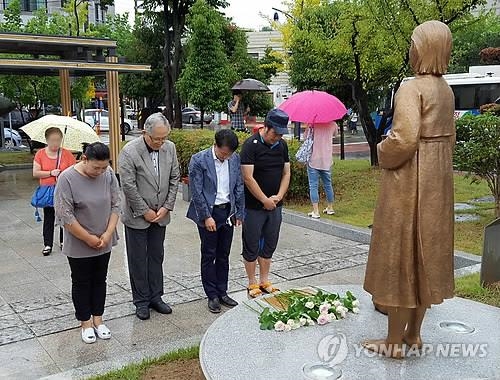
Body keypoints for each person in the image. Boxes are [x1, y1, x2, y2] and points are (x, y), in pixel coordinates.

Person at [363, 21, 455, 358]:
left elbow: (403, 138)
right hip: (437, 182)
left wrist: (381, 151)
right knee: (425, 258)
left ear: (424, 48)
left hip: (408, 182)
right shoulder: (446, 90)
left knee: (399, 256)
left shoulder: (410, 88)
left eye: (414, 43)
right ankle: (413, 335)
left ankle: (392, 343)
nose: (411, 49)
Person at [54, 142, 120, 344]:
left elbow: (116, 204)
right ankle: (85, 322)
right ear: (84, 159)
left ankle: (98, 320)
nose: (100, 171)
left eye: (104, 167)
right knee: (82, 281)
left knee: (100, 279)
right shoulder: (67, 178)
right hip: (80, 241)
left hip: (104, 238)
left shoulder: (108, 174)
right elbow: (65, 215)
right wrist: (88, 238)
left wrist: (108, 233)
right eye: (96, 167)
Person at [119, 112, 180, 320]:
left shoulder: (169, 148)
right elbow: (127, 185)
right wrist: (145, 210)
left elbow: (174, 178)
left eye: (164, 138)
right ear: (145, 132)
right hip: (137, 215)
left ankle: (156, 296)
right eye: (157, 139)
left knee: (156, 256)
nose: (161, 143)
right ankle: (141, 301)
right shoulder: (129, 151)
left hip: (161, 213)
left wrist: (166, 207)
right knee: (138, 259)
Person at [187, 129, 245, 313]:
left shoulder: (234, 159)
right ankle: (211, 295)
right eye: (223, 154)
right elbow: (196, 192)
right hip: (209, 212)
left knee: (224, 254)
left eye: (229, 154)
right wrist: (206, 217)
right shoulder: (199, 160)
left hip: (227, 211)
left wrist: (239, 213)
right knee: (209, 254)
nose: (226, 157)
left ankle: (222, 291)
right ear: (216, 146)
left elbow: (239, 186)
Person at [240, 108, 291, 298]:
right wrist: (264, 200)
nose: (277, 137)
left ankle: (264, 280)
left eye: (280, 134)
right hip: (254, 206)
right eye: (275, 133)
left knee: (270, 242)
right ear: (266, 127)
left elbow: (286, 172)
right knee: (251, 243)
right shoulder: (250, 145)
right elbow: (248, 177)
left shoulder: (282, 146)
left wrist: (278, 196)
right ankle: (252, 282)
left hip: (275, 204)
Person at [32, 127, 76, 256]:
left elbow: (74, 170)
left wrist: (64, 174)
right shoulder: (40, 154)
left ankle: (64, 241)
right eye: (52, 140)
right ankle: (48, 244)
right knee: (49, 217)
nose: (55, 143)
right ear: (46, 140)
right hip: (48, 191)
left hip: (63, 191)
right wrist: (50, 173)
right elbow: (36, 173)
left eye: (58, 140)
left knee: (64, 216)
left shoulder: (66, 154)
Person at [305, 122, 339, 219]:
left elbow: (306, 137)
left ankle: (316, 211)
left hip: (314, 159)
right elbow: (335, 134)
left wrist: (309, 128)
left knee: (313, 185)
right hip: (327, 160)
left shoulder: (313, 124)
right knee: (328, 184)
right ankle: (330, 208)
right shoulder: (333, 124)